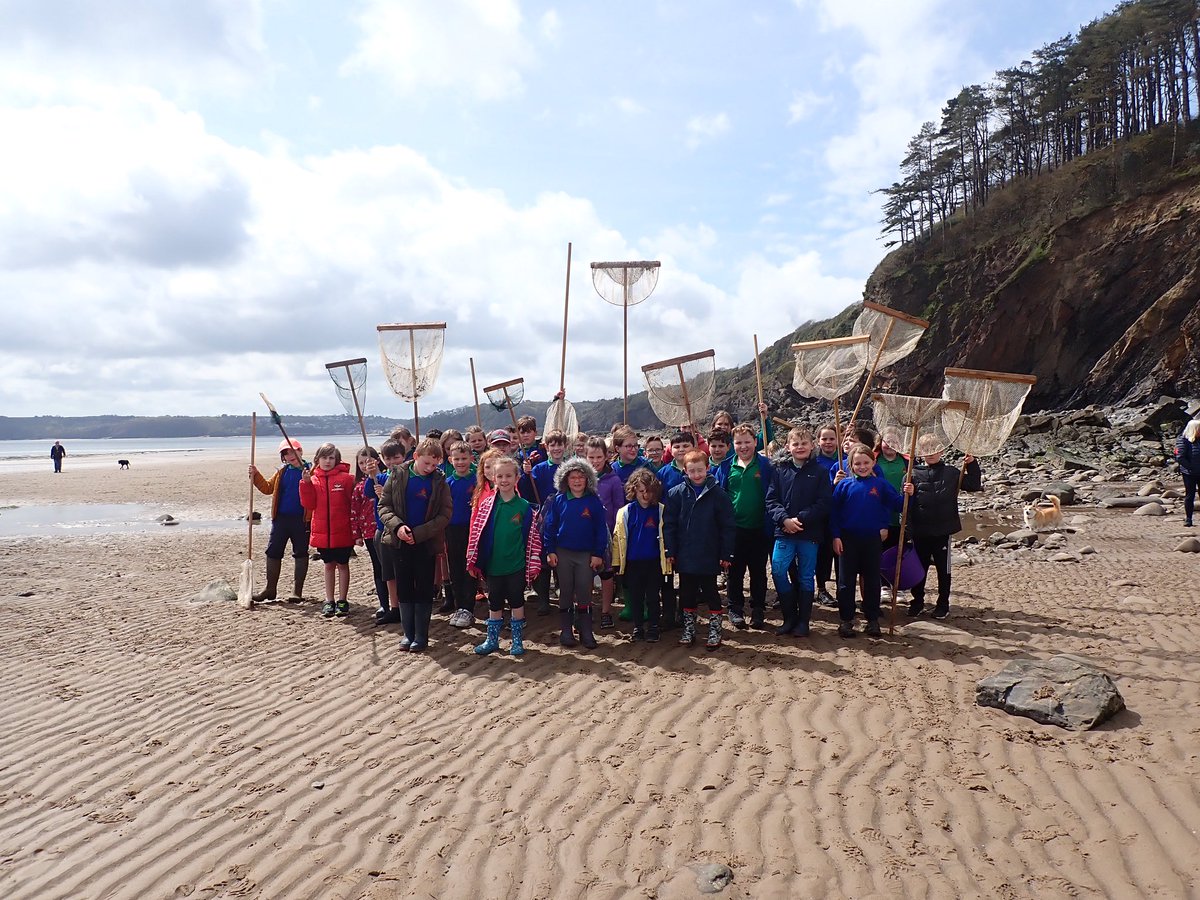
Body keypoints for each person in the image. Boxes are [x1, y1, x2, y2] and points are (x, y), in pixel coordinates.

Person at [377, 437, 453, 651]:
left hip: (426, 543)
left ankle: (421, 635)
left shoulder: (439, 481)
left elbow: (445, 514)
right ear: (416, 456)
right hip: (399, 543)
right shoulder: (398, 474)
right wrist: (398, 527)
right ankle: (407, 634)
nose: (430, 468)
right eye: (426, 463)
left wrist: (418, 534)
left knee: (423, 589)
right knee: (404, 588)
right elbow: (384, 507)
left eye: (434, 465)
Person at [466, 456, 542, 656]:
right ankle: (492, 640)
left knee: (517, 602)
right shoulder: (487, 505)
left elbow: (533, 539)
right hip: (493, 565)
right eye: (500, 476)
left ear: (517, 478)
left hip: (516, 565)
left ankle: (517, 641)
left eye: (509, 475)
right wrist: (473, 560)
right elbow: (476, 533)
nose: (504, 479)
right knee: (495, 602)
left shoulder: (525, 507)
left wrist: (533, 564)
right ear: (492, 477)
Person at [830, 443, 905, 638]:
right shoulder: (844, 485)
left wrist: (908, 494)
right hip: (847, 539)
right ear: (851, 465)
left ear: (873, 462)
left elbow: (898, 505)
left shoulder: (880, 484)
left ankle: (872, 620)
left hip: (872, 539)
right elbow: (834, 512)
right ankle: (846, 620)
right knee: (845, 582)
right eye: (857, 463)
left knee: (872, 580)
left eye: (866, 462)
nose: (862, 466)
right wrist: (836, 536)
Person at [664, 450, 735, 649]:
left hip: (709, 554)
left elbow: (728, 526)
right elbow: (669, 524)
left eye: (700, 470)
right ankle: (689, 629)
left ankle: (715, 630)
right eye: (692, 471)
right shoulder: (676, 493)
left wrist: (726, 553)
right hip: (685, 555)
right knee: (687, 593)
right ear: (685, 471)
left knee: (711, 593)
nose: (696, 475)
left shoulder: (719, 495)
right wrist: (670, 550)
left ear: (707, 469)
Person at [906, 434, 982, 619]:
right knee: (919, 569)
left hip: (943, 530)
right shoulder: (912, 473)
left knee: (943, 569)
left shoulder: (952, 472)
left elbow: (973, 485)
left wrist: (972, 464)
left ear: (942, 451)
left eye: (934, 448)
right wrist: (907, 491)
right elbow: (906, 504)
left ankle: (943, 604)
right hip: (920, 530)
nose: (930, 452)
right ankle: (917, 602)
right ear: (920, 452)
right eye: (926, 449)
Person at [764, 427, 831, 637]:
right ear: (788, 447)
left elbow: (823, 503)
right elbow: (771, 500)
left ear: (812, 446)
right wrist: (784, 519)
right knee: (778, 570)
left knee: (805, 576)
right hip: (784, 531)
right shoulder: (779, 470)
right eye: (796, 444)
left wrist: (799, 519)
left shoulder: (820, 472)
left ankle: (803, 622)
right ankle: (789, 616)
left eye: (804, 443)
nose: (800, 447)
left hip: (808, 533)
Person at [541, 456, 609, 649]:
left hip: (586, 555)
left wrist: (598, 554)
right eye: (573, 477)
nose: (577, 481)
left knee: (584, 591)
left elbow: (600, 530)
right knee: (565, 590)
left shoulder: (594, 502)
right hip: (563, 553)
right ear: (565, 480)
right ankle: (566, 630)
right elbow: (550, 527)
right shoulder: (559, 500)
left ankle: (586, 631)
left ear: (588, 479)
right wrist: (550, 550)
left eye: (581, 477)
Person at [723, 424, 776, 629]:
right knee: (734, 572)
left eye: (747, 442)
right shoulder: (727, 466)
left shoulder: (766, 465)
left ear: (756, 442)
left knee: (758, 571)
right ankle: (735, 608)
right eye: (738, 443)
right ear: (732, 445)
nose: (743, 446)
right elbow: (722, 493)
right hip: (735, 529)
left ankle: (758, 609)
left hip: (760, 527)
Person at [250, 439, 311, 602]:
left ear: (301, 451)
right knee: (273, 552)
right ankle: (270, 589)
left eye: (292, 451)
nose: (290, 455)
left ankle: (297, 591)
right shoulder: (282, 472)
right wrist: (256, 475)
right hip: (281, 519)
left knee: (301, 553)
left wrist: (309, 479)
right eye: (285, 453)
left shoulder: (311, 470)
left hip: (302, 520)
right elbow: (267, 488)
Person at [612, 468, 670, 641]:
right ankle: (638, 627)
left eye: (649, 491)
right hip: (632, 563)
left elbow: (669, 536)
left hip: (654, 562)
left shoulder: (661, 511)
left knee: (653, 597)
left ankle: (653, 626)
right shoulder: (625, 512)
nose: (645, 495)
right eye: (641, 491)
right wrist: (616, 562)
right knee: (635, 598)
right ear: (634, 491)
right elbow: (617, 539)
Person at [300, 443, 356, 619]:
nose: (328, 461)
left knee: (343, 565)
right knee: (328, 565)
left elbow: (353, 503)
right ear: (317, 460)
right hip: (323, 532)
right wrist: (306, 483)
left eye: (331, 458)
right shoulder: (313, 479)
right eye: (324, 457)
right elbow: (308, 504)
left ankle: (342, 600)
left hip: (343, 531)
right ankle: (329, 600)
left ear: (337, 460)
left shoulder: (346, 479)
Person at [363, 440, 407, 624]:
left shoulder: (408, 477)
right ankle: (395, 607)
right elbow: (367, 493)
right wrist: (370, 474)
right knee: (388, 572)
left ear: (403, 457)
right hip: (383, 529)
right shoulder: (380, 478)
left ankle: (406, 605)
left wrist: (385, 494)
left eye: (396, 457)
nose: (392, 462)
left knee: (404, 571)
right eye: (388, 458)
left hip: (403, 529)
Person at [586, 437, 624, 629]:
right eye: (591, 457)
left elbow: (619, 508)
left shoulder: (613, 479)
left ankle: (606, 611)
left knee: (607, 575)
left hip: (607, 534)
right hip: (585, 534)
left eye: (599, 456)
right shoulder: (580, 478)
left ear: (606, 456)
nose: (595, 461)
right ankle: (586, 609)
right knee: (586, 575)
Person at [530, 430, 568, 616]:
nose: (556, 448)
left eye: (559, 444)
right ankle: (544, 598)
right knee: (543, 557)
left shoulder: (570, 468)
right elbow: (527, 489)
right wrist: (526, 473)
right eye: (552, 445)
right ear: (546, 446)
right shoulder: (539, 468)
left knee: (561, 557)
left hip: (565, 519)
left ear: (565, 446)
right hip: (544, 520)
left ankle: (563, 594)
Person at [444, 441, 478, 628]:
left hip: (471, 530)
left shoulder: (477, 481)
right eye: (457, 459)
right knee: (455, 568)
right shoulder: (447, 483)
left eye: (464, 458)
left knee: (470, 568)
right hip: (452, 530)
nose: (460, 462)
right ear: (450, 460)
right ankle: (460, 606)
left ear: (471, 459)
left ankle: (470, 607)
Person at [351, 447, 387, 616]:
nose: (365, 465)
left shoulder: (386, 479)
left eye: (368, 461)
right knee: (378, 567)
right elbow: (354, 511)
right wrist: (356, 534)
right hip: (369, 532)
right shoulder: (359, 486)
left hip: (387, 529)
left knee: (390, 568)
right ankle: (383, 603)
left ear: (377, 461)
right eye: (361, 463)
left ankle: (396, 603)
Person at [811, 424, 841, 607]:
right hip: (822, 516)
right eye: (824, 439)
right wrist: (833, 483)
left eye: (832, 438)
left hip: (842, 515)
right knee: (823, 554)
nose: (828, 442)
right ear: (818, 441)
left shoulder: (846, 460)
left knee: (840, 554)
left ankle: (842, 589)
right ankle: (821, 589)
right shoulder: (814, 462)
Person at [515, 415, 547, 504]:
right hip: (527, 492)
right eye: (522, 432)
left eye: (528, 432)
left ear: (535, 433)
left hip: (542, 488)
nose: (525, 435)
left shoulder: (543, 448)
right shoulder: (518, 454)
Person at [1177, 419, 1199, 527]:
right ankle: (1189, 519)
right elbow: (1180, 457)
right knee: (1190, 495)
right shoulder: (1183, 440)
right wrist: (1191, 468)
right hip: (1189, 473)